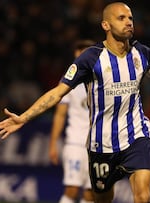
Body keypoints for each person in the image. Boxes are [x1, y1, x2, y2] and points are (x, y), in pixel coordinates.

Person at [0, 2, 150, 203]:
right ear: (106, 25)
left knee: (142, 196)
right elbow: (57, 93)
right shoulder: (91, 58)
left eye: (130, 17)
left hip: (136, 135)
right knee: (101, 198)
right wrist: (24, 117)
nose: (129, 22)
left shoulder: (143, 54)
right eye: (121, 18)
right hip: (101, 143)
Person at [49, 40, 95, 203]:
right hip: (75, 142)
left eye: (85, 51)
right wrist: (53, 142)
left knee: (92, 193)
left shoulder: (103, 78)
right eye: (78, 52)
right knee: (72, 189)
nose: (81, 55)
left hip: (97, 144)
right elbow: (60, 115)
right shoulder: (68, 81)